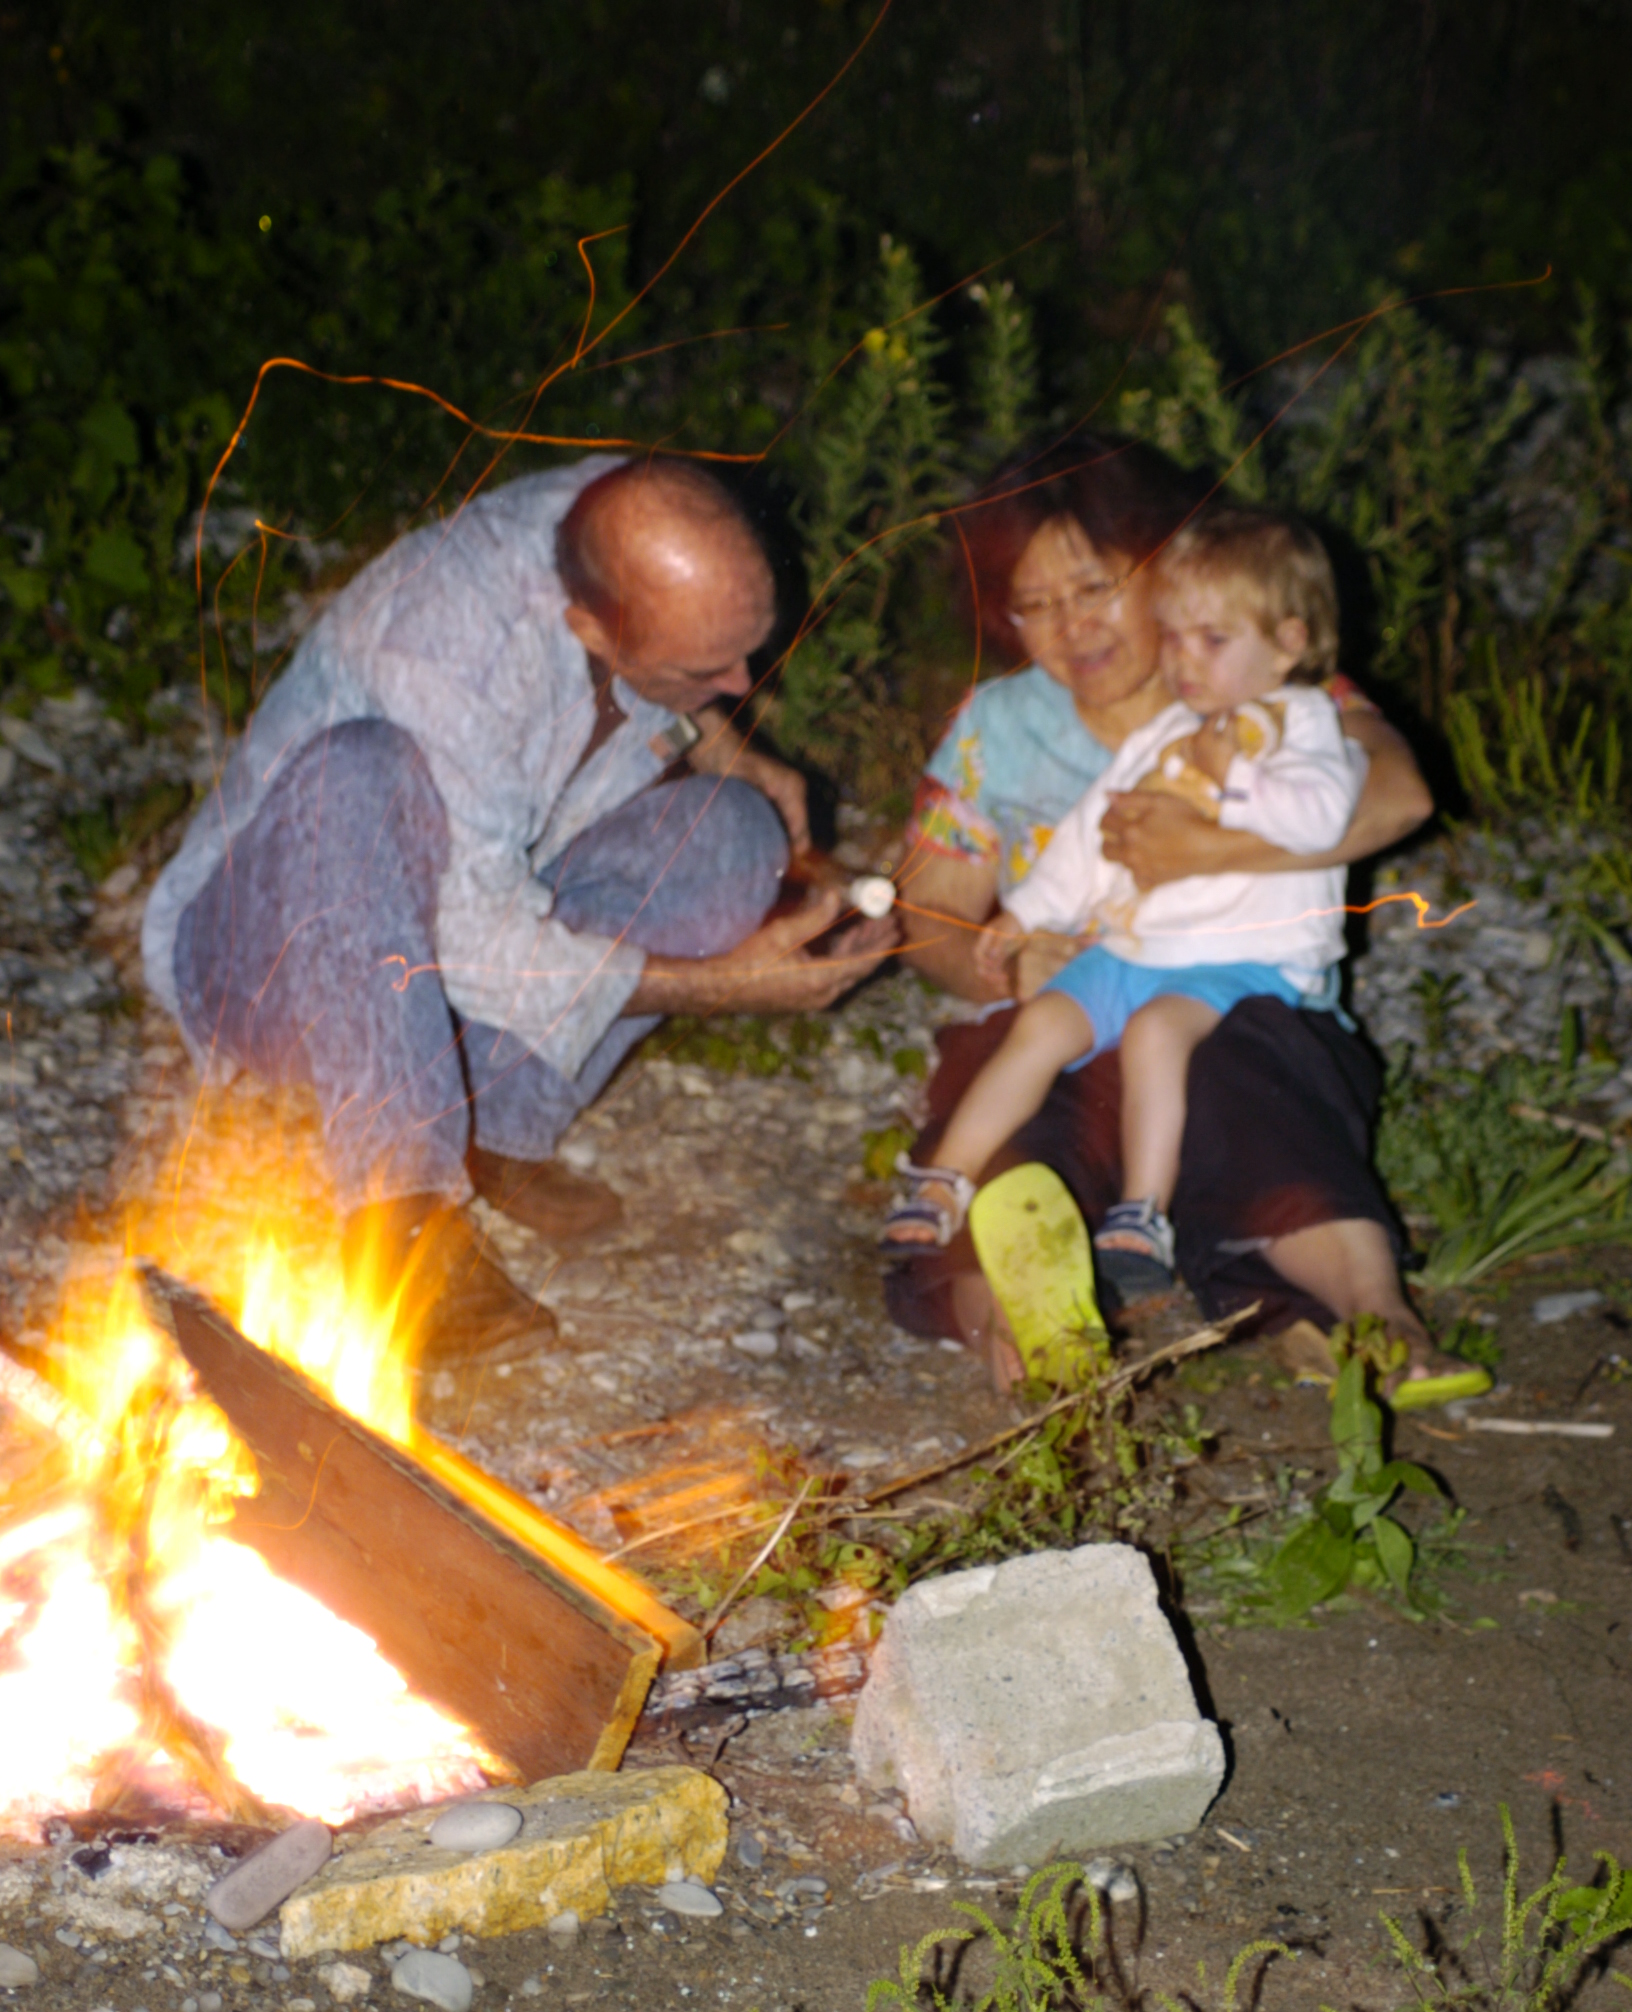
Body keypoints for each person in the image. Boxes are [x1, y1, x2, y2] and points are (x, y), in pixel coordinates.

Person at [143, 454, 893, 1366]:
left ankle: (493, 1126)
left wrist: (721, 743)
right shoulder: (447, 648)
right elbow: (477, 938)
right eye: (707, 667)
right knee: (361, 772)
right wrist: (727, 987)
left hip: (453, 928)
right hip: (273, 963)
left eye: (746, 650)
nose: (744, 682)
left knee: (735, 832)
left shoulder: (632, 512)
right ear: (590, 626)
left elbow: (680, 686)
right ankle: (401, 1226)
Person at [886, 433, 1476, 1400]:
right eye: (1035, 604)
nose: (1070, 627)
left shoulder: (1257, 678)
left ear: (1164, 565)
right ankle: (1025, 1321)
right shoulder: (997, 726)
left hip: (1244, 1002)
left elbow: (1398, 797)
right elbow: (926, 911)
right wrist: (1007, 958)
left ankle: (1377, 1315)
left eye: (1095, 587)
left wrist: (1201, 848)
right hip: (1085, 996)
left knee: (1253, 1106)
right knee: (1016, 1123)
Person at [884, 505, 1359, 1299]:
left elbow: (1323, 818)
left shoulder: (1305, 721)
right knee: (1041, 1026)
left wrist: (1233, 778)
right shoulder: (1164, 731)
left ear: (1288, 643)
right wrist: (1027, 915)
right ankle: (944, 1179)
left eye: (1212, 641)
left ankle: (1148, 1213)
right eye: (1176, 638)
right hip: (1138, 949)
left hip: (1242, 964)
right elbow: (1086, 837)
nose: (1186, 661)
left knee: (1162, 1040)